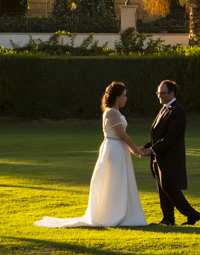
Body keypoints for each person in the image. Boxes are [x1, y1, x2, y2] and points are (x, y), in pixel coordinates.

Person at [35, 82, 148, 228]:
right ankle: (112, 213)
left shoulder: (115, 112)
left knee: (120, 179)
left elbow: (122, 135)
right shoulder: (111, 113)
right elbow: (122, 134)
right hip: (113, 150)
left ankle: (122, 211)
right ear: (116, 97)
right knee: (113, 180)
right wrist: (135, 149)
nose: (126, 98)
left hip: (118, 148)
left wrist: (131, 149)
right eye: (124, 96)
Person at [139, 80, 200, 226]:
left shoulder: (177, 110)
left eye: (163, 93)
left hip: (170, 157)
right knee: (163, 187)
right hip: (160, 155)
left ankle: (192, 214)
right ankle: (168, 218)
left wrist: (153, 150)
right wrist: (146, 147)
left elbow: (171, 136)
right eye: (158, 93)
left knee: (169, 187)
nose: (159, 96)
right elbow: (159, 135)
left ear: (172, 93)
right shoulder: (164, 109)